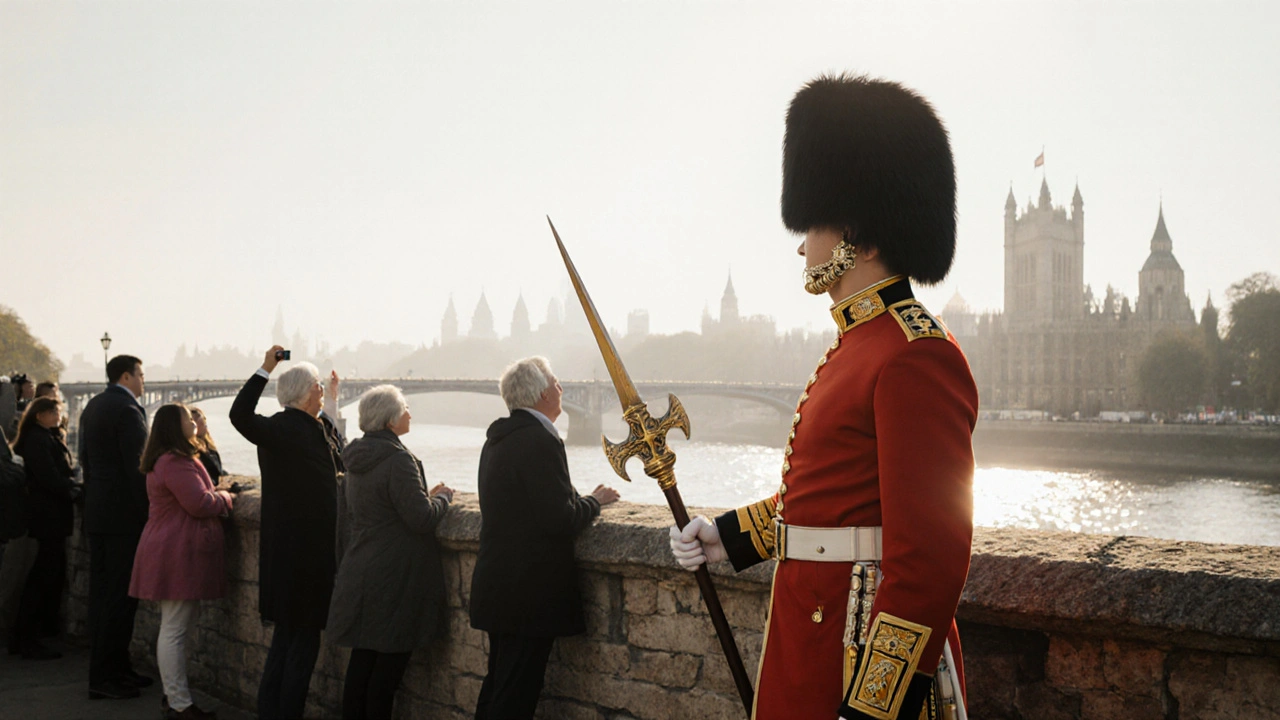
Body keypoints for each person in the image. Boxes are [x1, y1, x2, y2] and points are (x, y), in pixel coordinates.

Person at [669, 74, 980, 720]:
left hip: (855, 658)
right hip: (810, 641)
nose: (801, 241)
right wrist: (725, 536)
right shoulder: (855, 346)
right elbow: (822, 503)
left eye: (812, 222)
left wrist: (873, 707)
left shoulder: (915, 354)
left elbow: (927, 563)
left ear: (859, 237)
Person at [470, 357, 619, 720]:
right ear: (540, 393)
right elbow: (560, 519)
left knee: (496, 686)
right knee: (515, 697)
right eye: (555, 382)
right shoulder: (539, 440)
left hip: (497, 585)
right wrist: (594, 502)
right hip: (528, 593)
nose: (561, 389)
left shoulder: (498, 439)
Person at [230, 345, 346, 720]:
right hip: (300, 558)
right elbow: (239, 415)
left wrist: (332, 401)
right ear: (305, 391)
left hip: (302, 555)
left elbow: (334, 452)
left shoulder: (310, 428)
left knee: (287, 642)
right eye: (317, 386)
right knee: (300, 648)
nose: (321, 390)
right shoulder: (280, 428)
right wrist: (266, 368)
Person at [327, 385, 454, 720]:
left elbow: (371, 509)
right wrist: (443, 498)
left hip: (363, 569)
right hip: (396, 576)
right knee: (386, 675)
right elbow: (421, 518)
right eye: (405, 408)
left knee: (363, 662)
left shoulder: (356, 460)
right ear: (390, 419)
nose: (410, 412)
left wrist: (422, 494)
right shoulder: (398, 460)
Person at [129, 404, 234, 720]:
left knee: (175, 627)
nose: (194, 421)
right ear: (175, 427)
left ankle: (175, 698)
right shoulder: (175, 461)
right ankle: (178, 703)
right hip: (177, 548)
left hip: (171, 545)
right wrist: (227, 498)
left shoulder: (166, 459)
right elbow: (200, 503)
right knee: (175, 628)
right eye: (188, 418)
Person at [79, 354, 153, 700]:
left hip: (98, 512)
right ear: (126, 375)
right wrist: (149, 514)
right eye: (140, 374)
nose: (143, 381)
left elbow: (86, 462)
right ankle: (106, 677)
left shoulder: (93, 406)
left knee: (103, 593)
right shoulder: (127, 410)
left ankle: (115, 668)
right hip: (123, 517)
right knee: (120, 597)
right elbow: (138, 467)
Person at [9, 396, 79, 660]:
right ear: (41, 415)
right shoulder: (39, 440)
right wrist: (72, 488)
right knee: (42, 574)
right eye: (56, 412)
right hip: (47, 516)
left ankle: (26, 635)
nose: (60, 416)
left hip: (47, 515)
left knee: (45, 572)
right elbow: (49, 476)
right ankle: (26, 637)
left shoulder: (39, 437)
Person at [189, 408, 228, 484]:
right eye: (196, 419)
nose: (202, 421)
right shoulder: (193, 450)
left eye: (203, 420)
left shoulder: (208, 445)